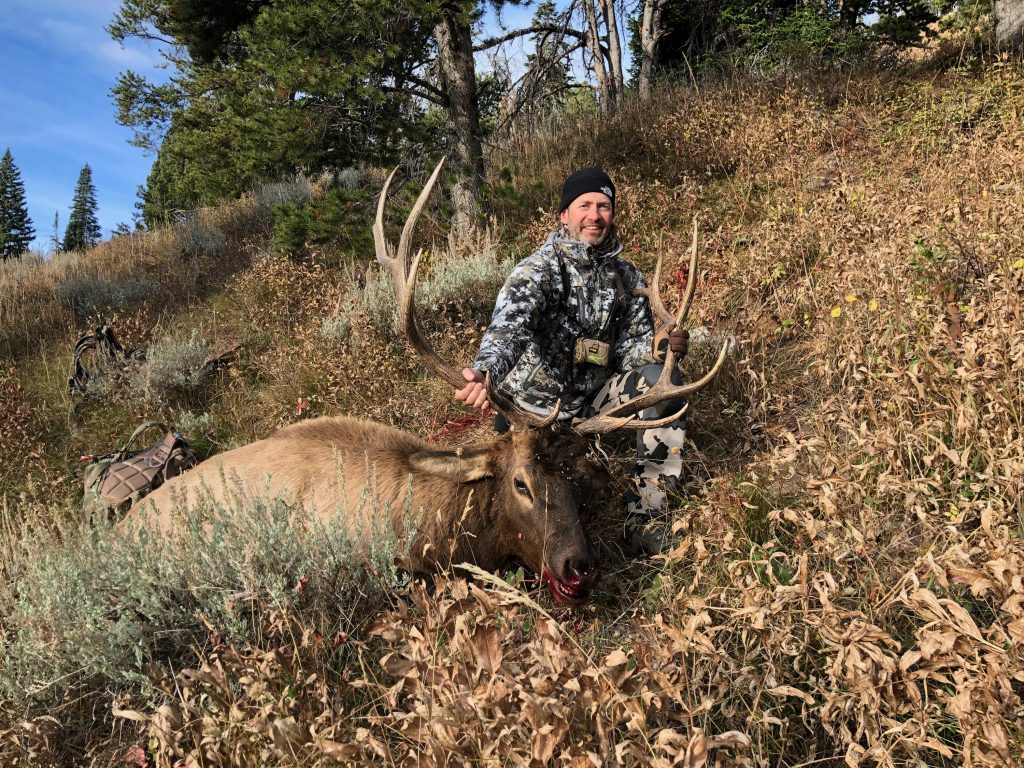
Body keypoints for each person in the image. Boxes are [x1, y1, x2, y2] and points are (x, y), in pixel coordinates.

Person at [455, 168, 690, 555]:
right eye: (584, 205)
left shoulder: (627, 277)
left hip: (588, 414)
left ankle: (647, 517)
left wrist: (659, 353)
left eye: (603, 206)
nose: (594, 215)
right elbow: (510, 326)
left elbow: (630, 353)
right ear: (564, 214)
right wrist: (486, 371)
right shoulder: (540, 270)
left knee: (665, 386)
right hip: (529, 414)